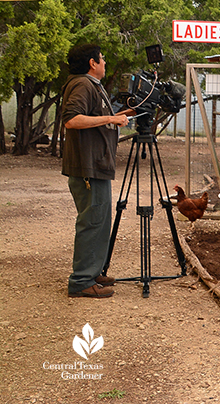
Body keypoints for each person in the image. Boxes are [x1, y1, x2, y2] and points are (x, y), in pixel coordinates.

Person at [62, 43, 133, 298]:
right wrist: (111, 119)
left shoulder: (92, 86)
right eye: (102, 59)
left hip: (97, 166)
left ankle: (92, 273)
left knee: (101, 222)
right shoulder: (83, 84)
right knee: (92, 222)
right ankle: (81, 281)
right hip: (87, 168)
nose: (105, 63)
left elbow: (93, 119)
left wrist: (122, 115)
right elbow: (72, 119)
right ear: (92, 63)